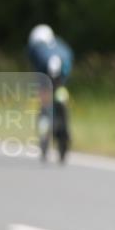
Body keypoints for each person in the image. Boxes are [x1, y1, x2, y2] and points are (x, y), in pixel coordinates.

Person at [27, 24, 74, 160]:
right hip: (61, 78)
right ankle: (63, 129)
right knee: (61, 95)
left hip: (47, 79)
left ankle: (44, 133)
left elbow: (36, 70)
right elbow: (70, 60)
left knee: (44, 105)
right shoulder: (60, 45)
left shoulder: (36, 48)